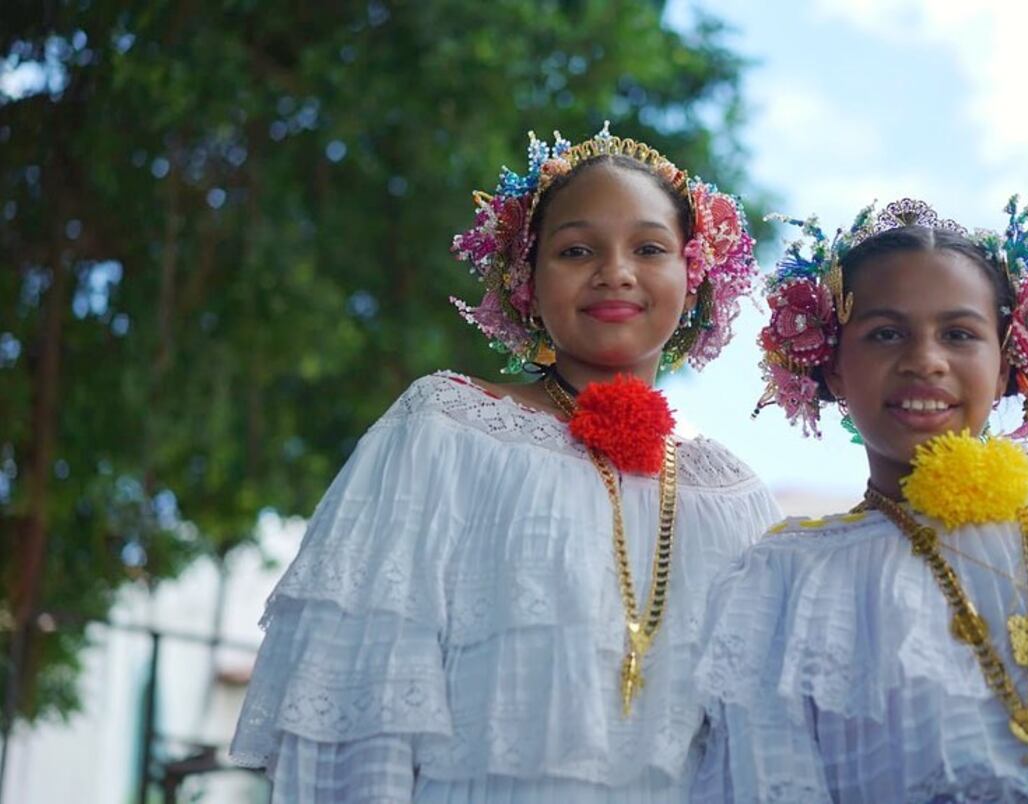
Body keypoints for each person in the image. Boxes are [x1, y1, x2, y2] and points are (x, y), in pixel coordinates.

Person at [230, 123, 781, 802]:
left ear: (694, 276)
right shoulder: (445, 430)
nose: (616, 271)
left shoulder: (734, 494)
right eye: (577, 249)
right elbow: (365, 702)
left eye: (649, 247)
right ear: (524, 279)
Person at [693, 198, 1028, 803]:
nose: (925, 360)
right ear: (830, 369)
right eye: (886, 333)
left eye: (959, 334)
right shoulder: (787, 585)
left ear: (1009, 361)